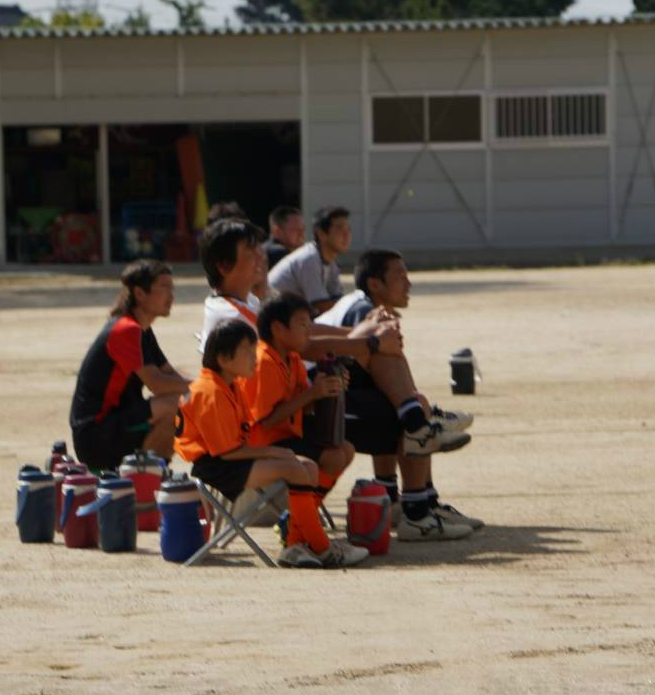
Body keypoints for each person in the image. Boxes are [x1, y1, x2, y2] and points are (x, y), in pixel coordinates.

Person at [198, 216, 468, 458]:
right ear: (224, 266)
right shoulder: (231, 314)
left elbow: (305, 330)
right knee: (397, 399)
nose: (261, 256)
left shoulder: (246, 302)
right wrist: (368, 341)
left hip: (294, 387)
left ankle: (416, 423)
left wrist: (361, 334)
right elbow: (302, 344)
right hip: (283, 404)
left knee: (400, 390)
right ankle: (417, 429)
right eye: (251, 251)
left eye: (259, 249)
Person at [174, 319, 368, 568]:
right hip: (216, 467)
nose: (253, 357)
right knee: (293, 467)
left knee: (307, 466)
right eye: (247, 351)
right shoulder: (210, 391)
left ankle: (295, 545)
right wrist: (275, 452)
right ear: (223, 359)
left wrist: (277, 453)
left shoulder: (228, 385)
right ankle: (322, 548)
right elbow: (227, 452)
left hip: (230, 458)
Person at [321, 249, 483, 531]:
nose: (409, 284)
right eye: (400, 276)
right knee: (412, 414)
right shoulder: (363, 310)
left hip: (333, 394)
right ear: (374, 284)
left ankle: (396, 497)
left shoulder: (361, 305)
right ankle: (418, 512)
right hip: (317, 402)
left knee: (405, 405)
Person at [242, 294, 362, 565]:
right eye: (302, 325)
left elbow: (304, 405)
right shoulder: (264, 361)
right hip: (260, 443)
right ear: (278, 328)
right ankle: (298, 537)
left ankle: (296, 529)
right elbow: (264, 422)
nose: (309, 331)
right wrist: (312, 394)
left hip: (284, 435)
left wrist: (328, 387)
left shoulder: (291, 358)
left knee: (345, 449)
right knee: (332, 457)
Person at [69, 260, 190, 470]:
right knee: (177, 405)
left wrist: (203, 390)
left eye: (173, 289)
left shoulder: (143, 330)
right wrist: (203, 387)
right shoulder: (126, 329)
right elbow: (158, 384)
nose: (172, 296)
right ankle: (144, 478)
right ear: (140, 294)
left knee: (186, 405)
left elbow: (170, 374)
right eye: (164, 288)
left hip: (116, 424)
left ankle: (151, 477)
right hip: (96, 436)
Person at [267, 205, 348, 316]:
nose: (346, 234)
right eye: (340, 228)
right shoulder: (308, 258)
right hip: (274, 317)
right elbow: (321, 306)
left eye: (348, 229)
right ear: (321, 233)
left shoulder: (330, 262)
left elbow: (337, 298)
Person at [263, 205, 305, 271]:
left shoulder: (263, 250)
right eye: (296, 230)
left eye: (303, 230)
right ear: (276, 231)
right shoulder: (277, 253)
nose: (302, 234)